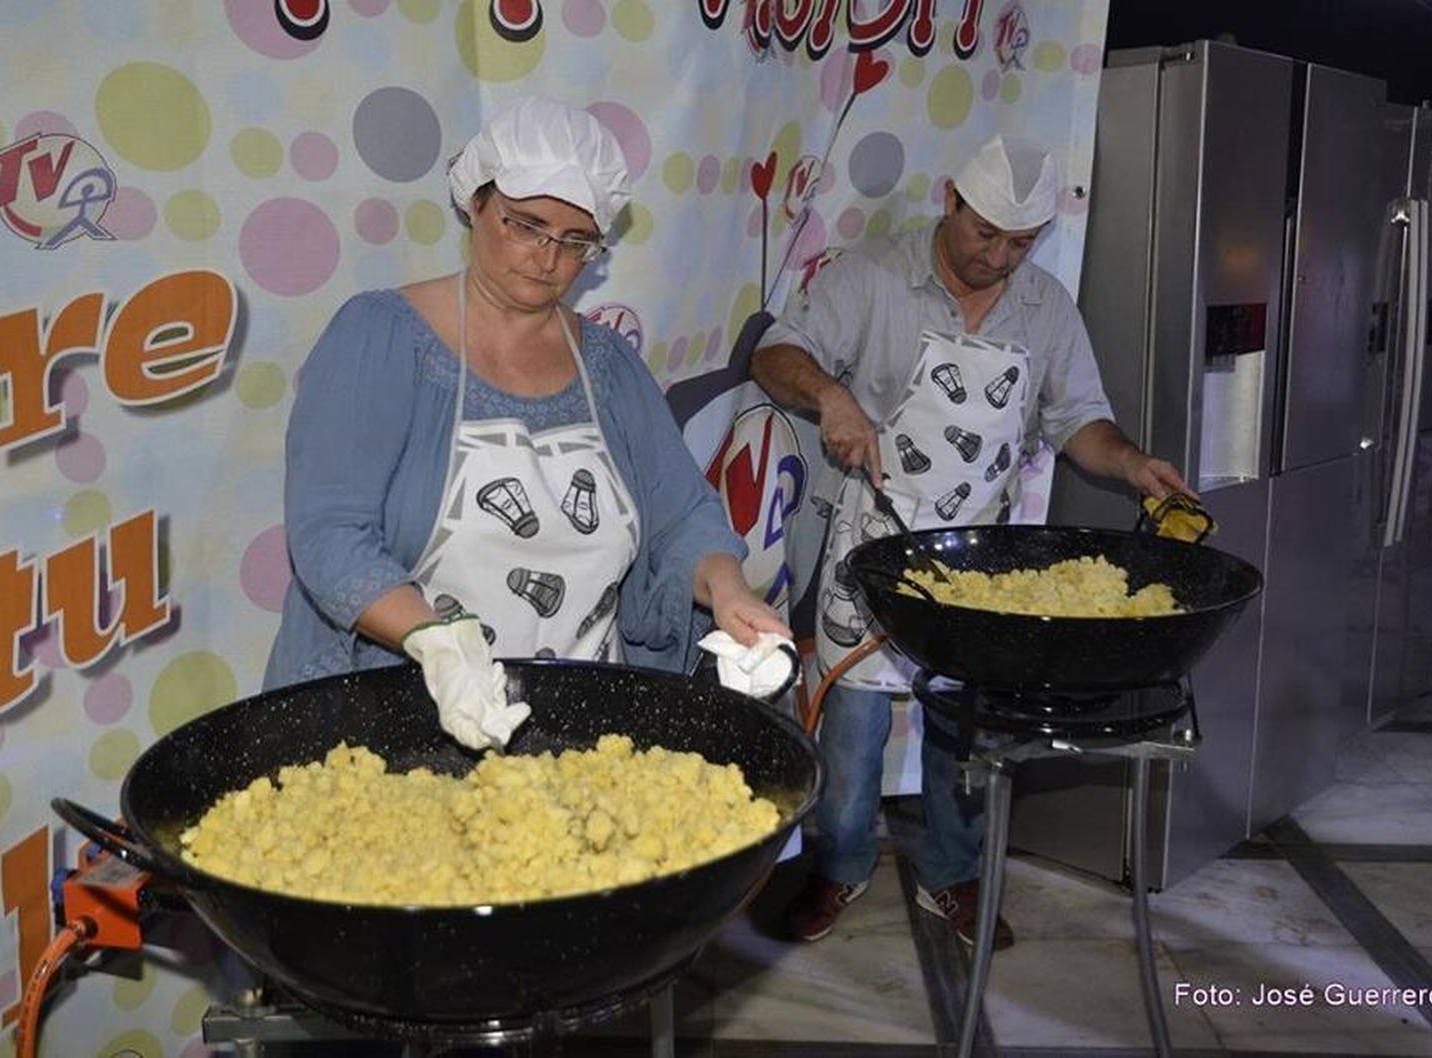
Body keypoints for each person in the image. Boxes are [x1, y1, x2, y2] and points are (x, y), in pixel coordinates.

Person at [750, 133, 1190, 948]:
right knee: (851, 729)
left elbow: (1076, 422)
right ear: (951, 200)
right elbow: (776, 353)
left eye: (1020, 243)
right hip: (871, 542)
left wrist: (1130, 465)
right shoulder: (873, 273)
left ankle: (950, 876)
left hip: (976, 560)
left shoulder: (1045, 307)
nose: (999, 256)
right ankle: (839, 868)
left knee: (967, 731)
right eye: (985, 233)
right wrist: (832, 398)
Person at [264, 96, 789, 748]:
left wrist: (728, 585)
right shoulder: (381, 339)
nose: (547, 258)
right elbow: (331, 533)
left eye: (575, 242)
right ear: (475, 205)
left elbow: (682, 513)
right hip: (398, 718)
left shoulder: (609, 368)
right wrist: (434, 640)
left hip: (579, 723)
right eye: (526, 225)